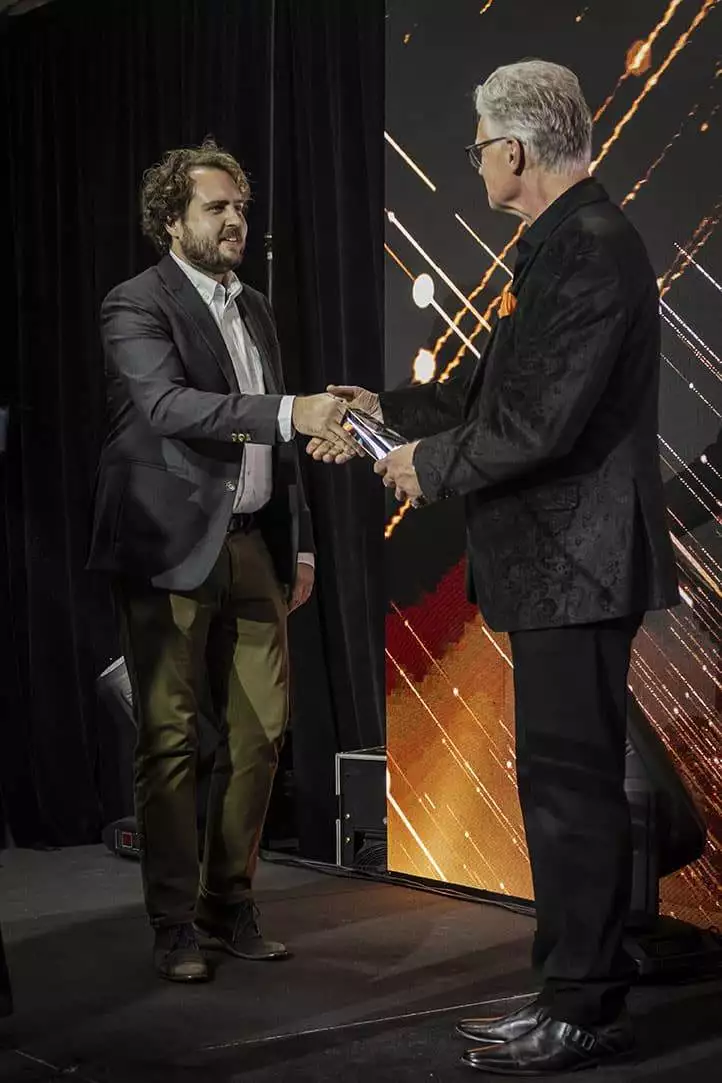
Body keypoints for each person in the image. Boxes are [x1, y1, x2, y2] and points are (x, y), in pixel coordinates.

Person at [310, 60, 679, 1074]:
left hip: (575, 564)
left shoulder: (588, 247)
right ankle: (576, 981)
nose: (474, 162)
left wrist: (422, 467)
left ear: (513, 149)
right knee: (564, 784)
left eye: (477, 146)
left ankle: (581, 1006)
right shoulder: (559, 244)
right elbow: (485, 391)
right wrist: (380, 413)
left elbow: (536, 424)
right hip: (562, 564)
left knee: (568, 790)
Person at [88, 139, 357, 983]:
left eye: (241, 206)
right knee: (170, 739)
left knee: (262, 732)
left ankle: (226, 901)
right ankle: (173, 923)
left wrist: (299, 543)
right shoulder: (136, 303)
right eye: (217, 207)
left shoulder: (256, 307)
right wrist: (289, 410)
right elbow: (170, 406)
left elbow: (283, 434)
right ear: (172, 220)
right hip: (167, 547)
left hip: (252, 548)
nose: (237, 219)